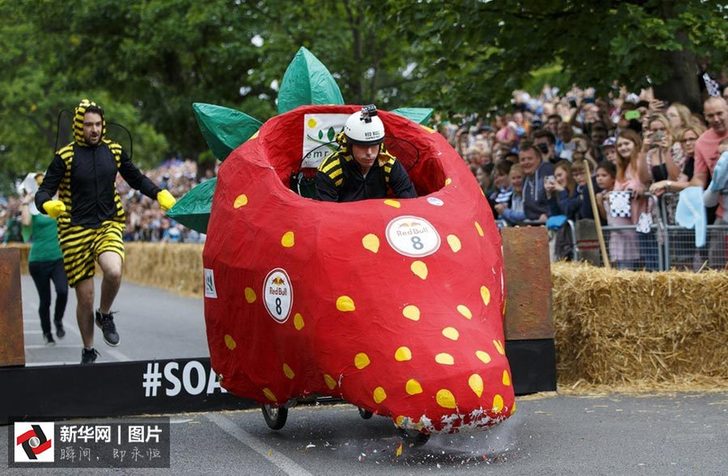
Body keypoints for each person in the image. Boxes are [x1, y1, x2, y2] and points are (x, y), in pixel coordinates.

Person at [35, 99, 177, 364]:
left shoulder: (113, 150)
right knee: (85, 298)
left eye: (98, 124)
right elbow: (43, 191)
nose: (95, 130)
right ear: (79, 126)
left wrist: (159, 193)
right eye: (89, 125)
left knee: (113, 270)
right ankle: (88, 350)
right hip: (74, 228)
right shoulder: (64, 156)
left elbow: (136, 178)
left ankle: (105, 314)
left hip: (108, 222)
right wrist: (47, 204)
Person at [316, 105, 416, 202]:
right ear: (350, 145)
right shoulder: (330, 171)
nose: (369, 153)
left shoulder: (389, 165)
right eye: (362, 146)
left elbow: (411, 203)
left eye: (374, 145)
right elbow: (326, 213)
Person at [20, 173, 68, 346]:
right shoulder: (31, 208)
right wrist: (27, 199)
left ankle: (58, 320)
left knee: (63, 291)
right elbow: (25, 223)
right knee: (45, 300)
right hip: (38, 260)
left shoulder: (55, 203)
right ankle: (47, 333)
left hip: (58, 258)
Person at [690, 97, 728, 268]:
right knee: (716, 262)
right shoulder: (701, 142)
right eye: (711, 116)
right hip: (723, 211)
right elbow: (699, 178)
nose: (716, 119)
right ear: (705, 117)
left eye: (720, 113)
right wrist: (671, 184)